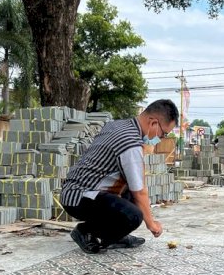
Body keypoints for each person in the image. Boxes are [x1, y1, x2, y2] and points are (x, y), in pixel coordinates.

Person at [61, 99, 179, 254]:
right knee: (134, 216)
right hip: (80, 197)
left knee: (131, 193)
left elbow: (134, 182)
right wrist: (152, 224)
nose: (161, 138)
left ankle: (117, 235)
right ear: (153, 123)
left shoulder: (118, 125)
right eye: (163, 133)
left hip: (77, 192)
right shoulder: (130, 143)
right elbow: (140, 191)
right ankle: (85, 231)